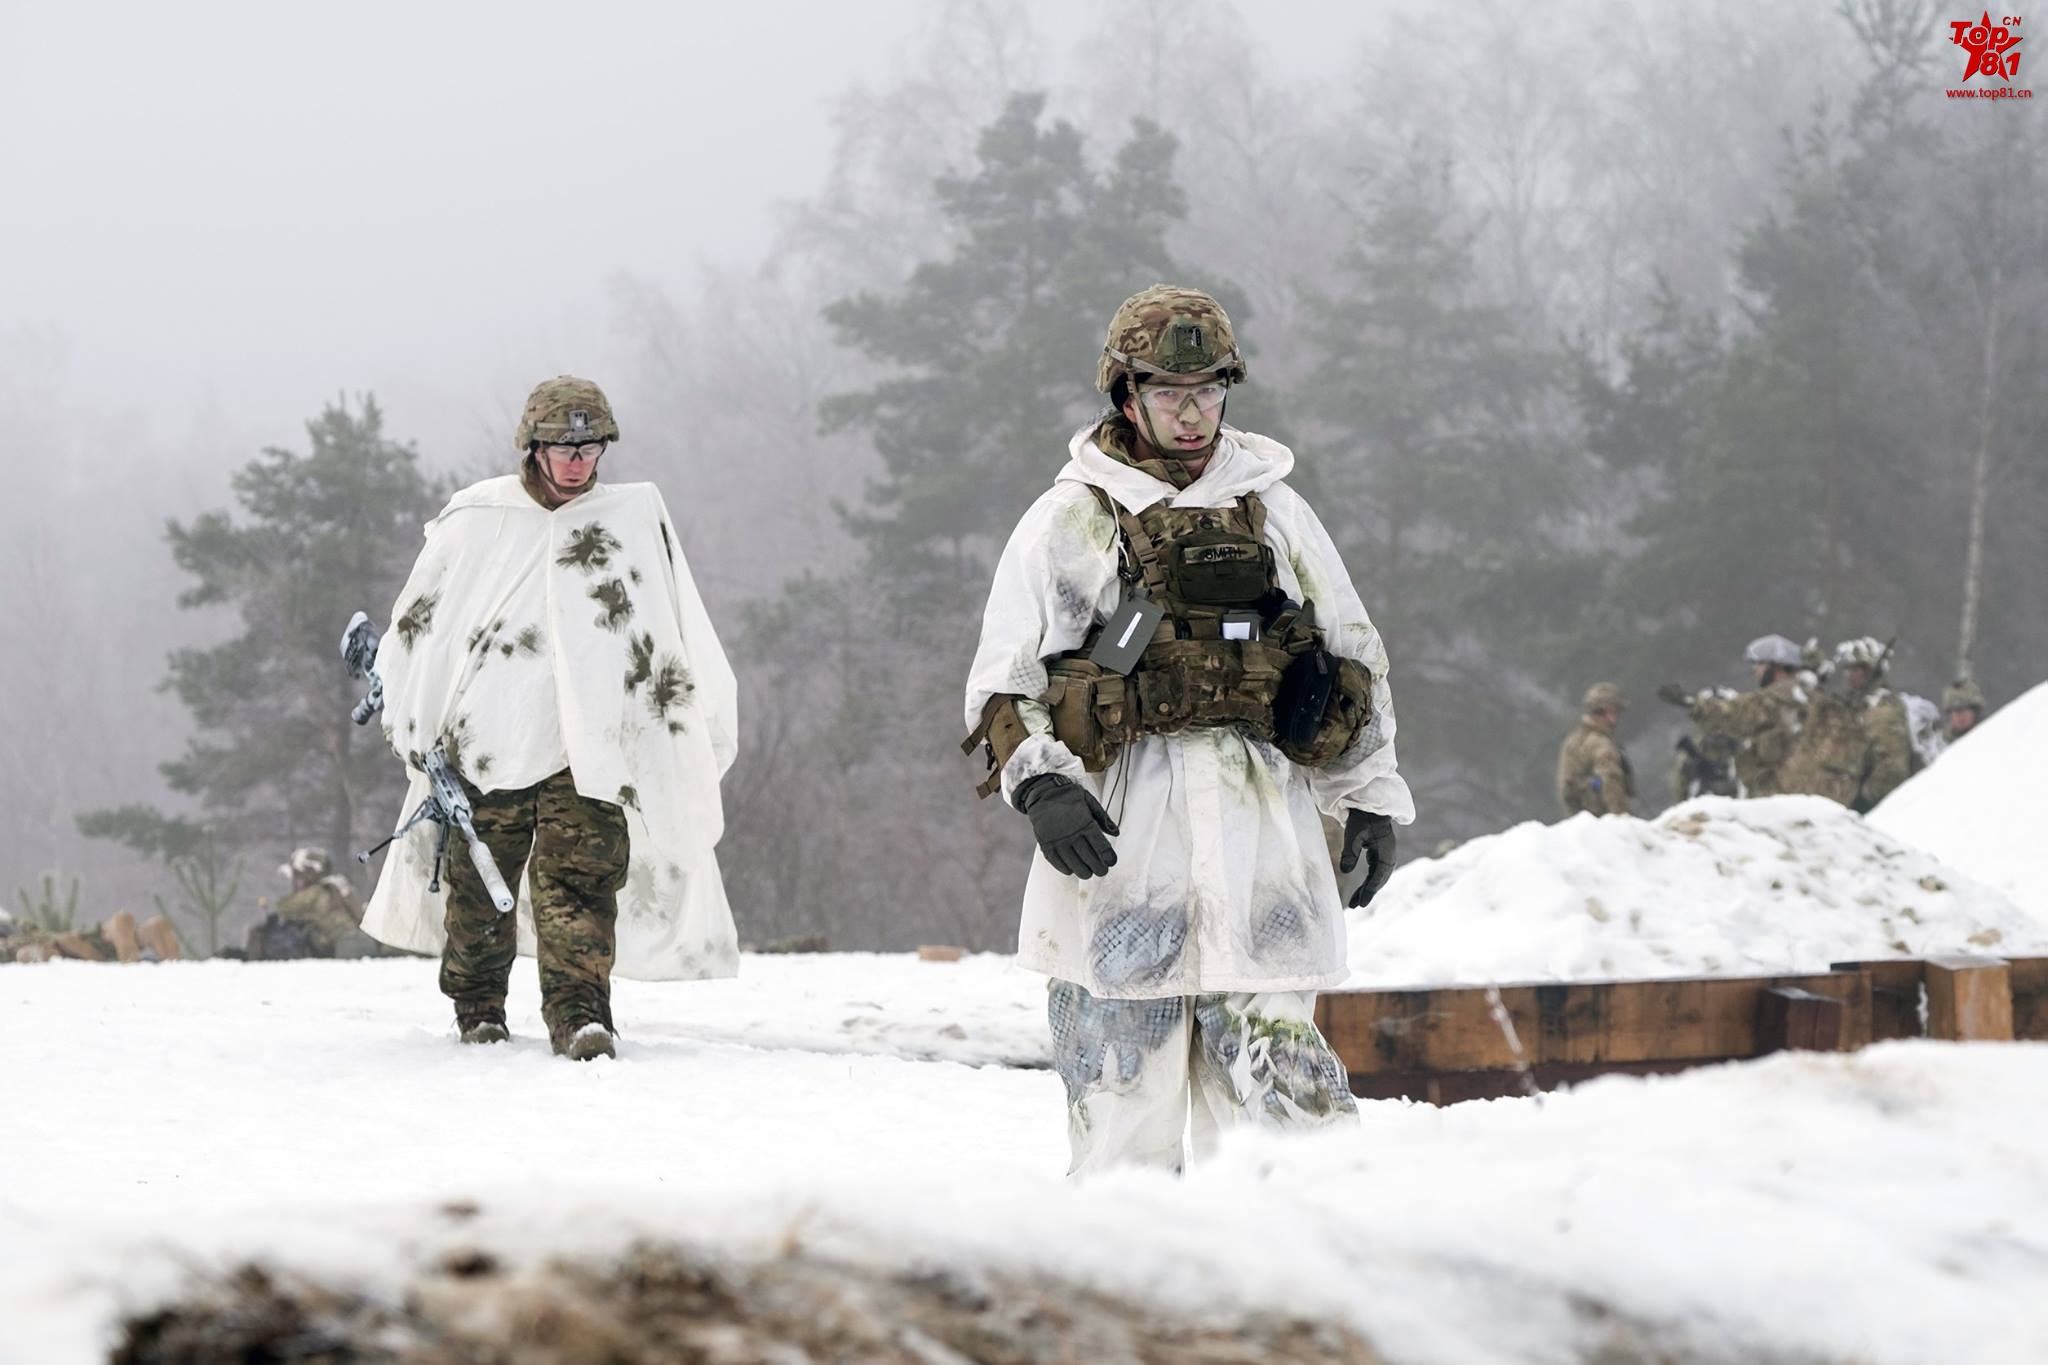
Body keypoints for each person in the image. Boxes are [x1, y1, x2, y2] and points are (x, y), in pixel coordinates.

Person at [963, 285, 1412, 1175]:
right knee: (1124, 1114)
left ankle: (1299, 1289)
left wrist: (1369, 797)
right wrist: (1045, 785)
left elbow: (1354, 656)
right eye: (1171, 390)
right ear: (1125, 393)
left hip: (1263, 840)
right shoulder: (1072, 519)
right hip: (1128, 844)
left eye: (1210, 389)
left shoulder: (1275, 508)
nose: (1193, 410)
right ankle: (1134, 1293)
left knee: (1292, 1111)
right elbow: (1003, 685)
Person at [360, 376, 739, 1060]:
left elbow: (670, 623)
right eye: (563, 446)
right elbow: (424, 625)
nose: (576, 460)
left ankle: (581, 1015)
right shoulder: (480, 517)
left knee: (581, 882)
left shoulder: (629, 521)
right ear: (533, 447)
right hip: (488, 738)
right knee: (481, 885)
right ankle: (478, 1006)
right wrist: (417, 719)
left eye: (590, 446)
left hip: (589, 745)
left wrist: (678, 724)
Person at [1656, 633, 1811, 798]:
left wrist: (1694, 704)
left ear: (1777, 667)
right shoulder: (1807, 696)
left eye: (1759, 664)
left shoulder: (1775, 700)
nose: (1755, 670)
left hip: (1782, 798)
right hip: (1803, 795)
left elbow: (1733, 713)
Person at [1777, 636, 1913, 814]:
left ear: (1870, 671)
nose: (1849, 674)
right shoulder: (1853, 703)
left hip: (1859, 807)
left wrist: (1863, 800)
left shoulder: (1882, 710)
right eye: (1847, 669)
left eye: (1857, 669)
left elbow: (1892, 767)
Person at [245, 848, 380, 959]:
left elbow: (283, 908)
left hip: (345, 948)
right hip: (360, 943)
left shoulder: (315, 892)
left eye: (298, 876)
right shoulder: (337, 887)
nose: (296, 881)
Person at [1556, 682, 1634, 816]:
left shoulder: (1573, 740)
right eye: (1616, 712)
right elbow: (1611, 783)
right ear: (1608, 711)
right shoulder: (1601, 744)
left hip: (1580, 822)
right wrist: (1623, 819)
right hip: (1603, 822)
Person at [1943, 677, 1986, 744]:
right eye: (1954, 710)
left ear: (1975, 711)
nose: (1959, 715)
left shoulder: (1988, 739)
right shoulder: (1942, 745)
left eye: (1962, 708)